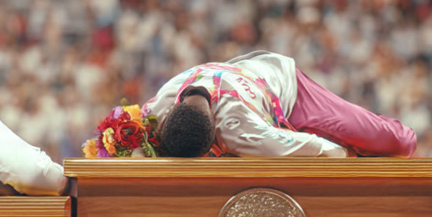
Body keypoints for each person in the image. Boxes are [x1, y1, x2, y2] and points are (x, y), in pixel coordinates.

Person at [142, 51, 416, 158]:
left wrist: (353, 157)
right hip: (244, 85)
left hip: (290, 92)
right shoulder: (155, 112)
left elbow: (322, 150)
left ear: (216, 130)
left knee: (399, 143)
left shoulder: (239, 130)